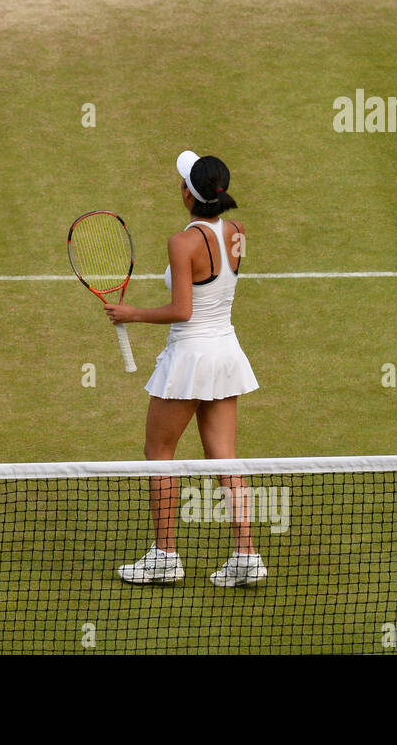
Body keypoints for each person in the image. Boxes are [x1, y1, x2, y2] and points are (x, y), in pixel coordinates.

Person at [104, 151, 264, 586]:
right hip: (226, 353)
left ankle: (165, 556)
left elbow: (183, 309)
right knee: (224, 457)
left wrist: (130, 313)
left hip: (191, 359)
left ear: (187, 193)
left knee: (158, 454)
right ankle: (247, 556)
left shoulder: (182, 242)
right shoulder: (236, 231)